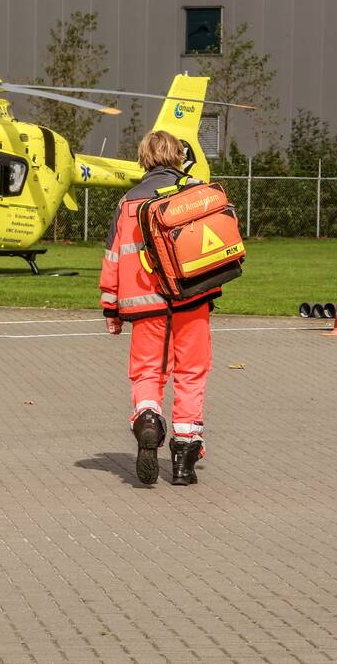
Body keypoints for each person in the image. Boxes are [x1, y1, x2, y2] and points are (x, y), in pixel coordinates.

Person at [99, 130, 223, 486]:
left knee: (147, 373)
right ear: (179, 156)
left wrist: (111, 309)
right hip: (192, 299)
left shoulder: (127, 203)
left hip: (145, 307)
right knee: (191, 374)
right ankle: (184, 461)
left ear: (144, 158)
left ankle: (149, 419)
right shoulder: (195, 193)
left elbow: (112, 259)